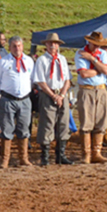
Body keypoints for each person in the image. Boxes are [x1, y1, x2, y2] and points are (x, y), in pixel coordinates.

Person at [32, 32, 73, 166]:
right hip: (48, 93)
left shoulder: (62, 59)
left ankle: (60, 155)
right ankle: (45, 156)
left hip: (61, 93)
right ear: (46, 45)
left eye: (55, 43)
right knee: (47, 123)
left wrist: (61, 95)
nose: (53, 46)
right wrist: (53, 95)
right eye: (50, 43)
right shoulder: (42, 60)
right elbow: (40, 81)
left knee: (63, 123)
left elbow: (67, 79)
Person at [0, 35, 35, 168]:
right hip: (7, 99)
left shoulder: (29, 61)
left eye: (19, 46)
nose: (17, 48)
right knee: (6, 129)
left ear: (22, 46)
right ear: (9, 47)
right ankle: (5, 159)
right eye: (14, 46)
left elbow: (32, 79)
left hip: (24, 99)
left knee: (24, 129)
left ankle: (23, 158)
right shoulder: (2, 62)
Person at [74, 31, 107, 164]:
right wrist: (99, 69)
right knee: (86, 123)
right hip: (87, 90)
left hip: (101, 89)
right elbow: (84, 74)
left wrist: (92, 60)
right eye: (95, 44)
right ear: (89, 42)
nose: (97, 47)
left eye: (99, 45)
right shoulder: (80, 53)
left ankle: (97, 153)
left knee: (101, 122)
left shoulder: (101, 54)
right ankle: (86, 154)